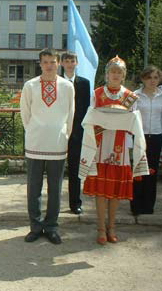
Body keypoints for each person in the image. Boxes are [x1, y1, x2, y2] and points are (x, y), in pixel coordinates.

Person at [79, 56, 149, 245]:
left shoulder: (130, 96)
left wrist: (119, 122)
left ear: (123, 75)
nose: (115, 75)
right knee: (101, 191)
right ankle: (101, 228)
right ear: (107, 74)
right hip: (101, 146)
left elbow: (134, 123)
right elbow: (90, 120)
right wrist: (106, 122)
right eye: (113, 71)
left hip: (120, 148)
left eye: (119, 72)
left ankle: (112, 227)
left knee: (115, 191)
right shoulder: (97, 93)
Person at [20, 48, 75, 244]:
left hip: (57, 143)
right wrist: (35, 130)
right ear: (40, 64)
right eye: (45, 62)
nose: (49, 65)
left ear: (58, 63)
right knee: (33, 188)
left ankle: (51, 226)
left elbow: (71, 114)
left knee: (55, 188)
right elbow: (24, 113)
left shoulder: (67, 86)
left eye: (52, 62)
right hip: (35, 142)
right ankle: (35, 226)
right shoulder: (30, 85)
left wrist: (64, 135)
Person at [130, 66, 162, 215]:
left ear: (160, 79)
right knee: (138, 172)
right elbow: (130, 118)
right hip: (139, 137)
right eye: (149, 77)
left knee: (152, 171)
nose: (152, 81)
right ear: (143, 79)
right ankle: (136, 205)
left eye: (155, 77)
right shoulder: (135, 95)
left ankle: (148, 205)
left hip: (156, 137)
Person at [60, 51, 90, 214]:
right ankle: (53, 204)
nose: (70, 63)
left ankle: (75, 203)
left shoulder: (84, 83)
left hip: (77, 133)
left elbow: (85, 109)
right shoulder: (56, 81)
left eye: (72, 61)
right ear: (62, 63)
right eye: (67, 61)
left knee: (75, 169)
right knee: (54, 170)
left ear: (77, 63)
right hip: (58, 131)